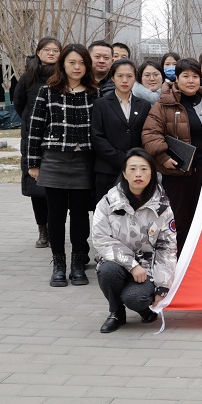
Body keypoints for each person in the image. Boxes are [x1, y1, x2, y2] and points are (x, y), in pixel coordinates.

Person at [26, 43, 98, 287]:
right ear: (62, 65)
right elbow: (35, 129)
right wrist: (33, 163)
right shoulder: (47, 92)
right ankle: (58, 265)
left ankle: (78, 265)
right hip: (54, 161)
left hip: (83, 162)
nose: (77, 67)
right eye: (71, 62)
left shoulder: (94, 93)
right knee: (55, 216)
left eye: (82, 63)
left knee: (80, 216)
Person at [142, 58, 202, 253]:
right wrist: (163, 158)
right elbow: (150, 134)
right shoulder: (164, 104)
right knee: (179, 220)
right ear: (176, 79)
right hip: (177, 172)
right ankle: (178, 261)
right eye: (185, 76)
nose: (191, 81)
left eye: (195, 76)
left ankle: (199, 258)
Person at [91, 149, 175, 333]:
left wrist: (163, 287)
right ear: (124, 173)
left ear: (152, 174)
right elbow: (101, 239)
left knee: (135, 298)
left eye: (144, 169)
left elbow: (167, 248)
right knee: (107, 271)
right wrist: (131, 265)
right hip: (117, 262)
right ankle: (116, 312)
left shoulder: (162, 207)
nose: (138, 174)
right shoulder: (107, 202)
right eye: (133, 169)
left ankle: (145, 309)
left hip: (148, 267)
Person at [13, 36, 61, 248]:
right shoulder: (28, 77)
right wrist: (32, 122)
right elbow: (19, 103)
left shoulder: (64, 76)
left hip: (58, 138)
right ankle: (43, 230)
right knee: (37, 188)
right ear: (38, 52)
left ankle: (56, 227)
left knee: (57, 189)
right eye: (47, 50)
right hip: (32, 138)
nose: (51, 53)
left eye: (55, 50)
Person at [90, 58, 150, 202]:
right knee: (107, 210)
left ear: (135, 78)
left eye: (129, 76)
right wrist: (122, 158)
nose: (125, 80)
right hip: (107, 169)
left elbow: (147, 133)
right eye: (120, 76)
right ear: (112, 78)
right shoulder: (101, 104)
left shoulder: (144, 105)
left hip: (136, 171)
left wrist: (135, 159)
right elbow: (97, 136)